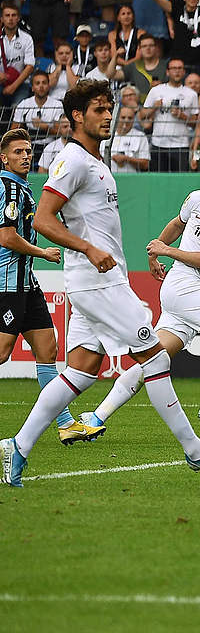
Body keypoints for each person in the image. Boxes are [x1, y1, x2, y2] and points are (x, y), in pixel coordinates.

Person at [2, 80, 200, 487]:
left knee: (81, 371)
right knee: (156, 359)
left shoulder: (96, 161)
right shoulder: (73, 160)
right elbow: (44, 219)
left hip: (99, 282)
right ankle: (197, 452)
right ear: (77, 116)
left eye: (109, 107)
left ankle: (17, 447)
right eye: (99, 108)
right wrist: (88, 249)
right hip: (98, 283)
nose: (107, 115)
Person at [83, 169, 200, 436]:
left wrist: (167, 251)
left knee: (154, 360)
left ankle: (95, 418)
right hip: (182, 283)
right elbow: (177, 224)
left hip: (194, 289)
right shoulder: (198, 199)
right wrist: (154, 253)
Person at [0, 128, 98, 445]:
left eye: (28, 151)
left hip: (26, 283)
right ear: (4, 158)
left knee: (48, 349)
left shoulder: (23, 187)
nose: (25, 156)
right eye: (18, 152)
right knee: (2, 353)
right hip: (8, 284)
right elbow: (7, 238)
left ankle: (66, 423)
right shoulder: (9, 189)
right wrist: (43, 252)